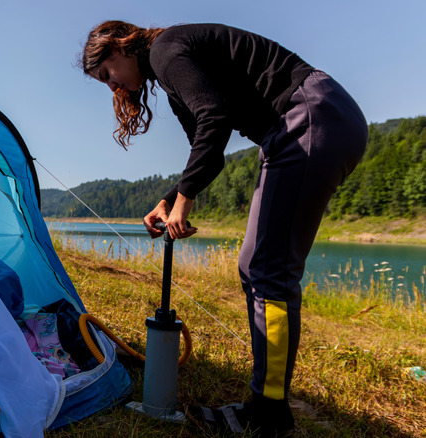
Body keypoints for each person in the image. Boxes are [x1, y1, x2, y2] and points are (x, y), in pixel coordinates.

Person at [81, 21, 368, 437]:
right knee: (258, 266)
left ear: (120, 47)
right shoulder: (168, 65)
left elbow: (215, 118)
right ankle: (265, 404)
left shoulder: (164, 50)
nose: (113, 86)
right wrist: (171, 195)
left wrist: (186, 199)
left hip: (309, 117)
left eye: (108, 73)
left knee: (267, 272)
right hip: (313, 120)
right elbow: (206, 144)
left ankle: (268, 414)